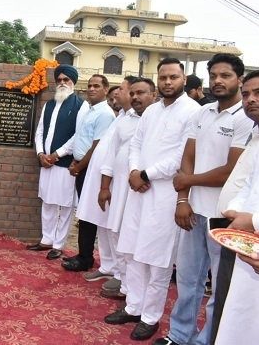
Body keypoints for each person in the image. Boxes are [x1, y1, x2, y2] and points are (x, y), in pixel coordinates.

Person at [153, 54, 253, 345]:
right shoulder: (203, 112)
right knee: (187, 280)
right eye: (214, 76)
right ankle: (180, 335)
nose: (218, 81)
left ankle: (206, 339)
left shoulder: (245, 118)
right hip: (194, 211)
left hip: (224, 217)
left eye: (226, 75)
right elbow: (188, 157)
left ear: (239, 79)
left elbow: (231, 170)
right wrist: (183, 200)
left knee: (219, 286)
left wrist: (188, 181)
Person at [105, 57, 200, 341]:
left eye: (173, 77)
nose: (168, 82)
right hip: (139, 190)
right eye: (163, 77)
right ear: (157, 80)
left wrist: (146, 173)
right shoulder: (151, 111)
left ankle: (150, 317)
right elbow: (136, 143)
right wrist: (135, 171)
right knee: (133, 253)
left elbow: (183, 156)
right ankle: (133, 305)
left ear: (184, 78)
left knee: (157, 260)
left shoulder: (193, 112)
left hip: (165, 193)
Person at [211, 70, 259, 344]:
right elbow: (249, 187)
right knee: (236, 320)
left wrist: (252, 220)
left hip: (251, 235)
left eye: (258, 93)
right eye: (246, 94)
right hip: (245, 242)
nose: (250, 100)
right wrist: (234, 211)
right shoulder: (257, 139)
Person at [98, 78, 157, 299]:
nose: (135, 97)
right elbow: (110, 156)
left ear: (154, 95)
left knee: (139, 241)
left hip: (147, 188)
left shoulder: (158, 120)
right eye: (132, 93)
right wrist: (105, 187)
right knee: (117, 234)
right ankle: (123, 283)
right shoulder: (124, 120)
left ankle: (139, 291)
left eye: (140, 93)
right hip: (122, 188)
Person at [79, 76, 136, 284]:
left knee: (114, 228)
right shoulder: (120, 115)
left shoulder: (137, 119)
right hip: (101, 178)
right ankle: (108, 266)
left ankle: (120, 274)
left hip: (115, 182)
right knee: (102, 224)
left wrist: (106, 183)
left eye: (121, 89)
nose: (116, 93)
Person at [28, 64, 88, 258]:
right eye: (59, 80)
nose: (62, 83)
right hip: (45, 162)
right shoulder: (49, 104)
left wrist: (57, 155)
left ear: (73, 82)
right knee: (47, 201)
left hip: (64, 164)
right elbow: (39, 132)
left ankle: (59, 244)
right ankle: (46, 239)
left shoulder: (81, 105)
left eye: (66, 80)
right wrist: (40, 154)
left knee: (64, 205)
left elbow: (79, 136)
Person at [60, 74, 115, 272]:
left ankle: (86, 258)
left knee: (88, 215)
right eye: (90, 86)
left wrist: (80, 166)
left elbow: (97, 146)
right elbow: (81, 139)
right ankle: (83, 254)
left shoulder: (105, 114)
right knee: (83, 213)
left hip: (90, 169)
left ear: (106, 89)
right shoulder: (89, 111)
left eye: (97, 86)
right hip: (82, 166)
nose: (92, 89)